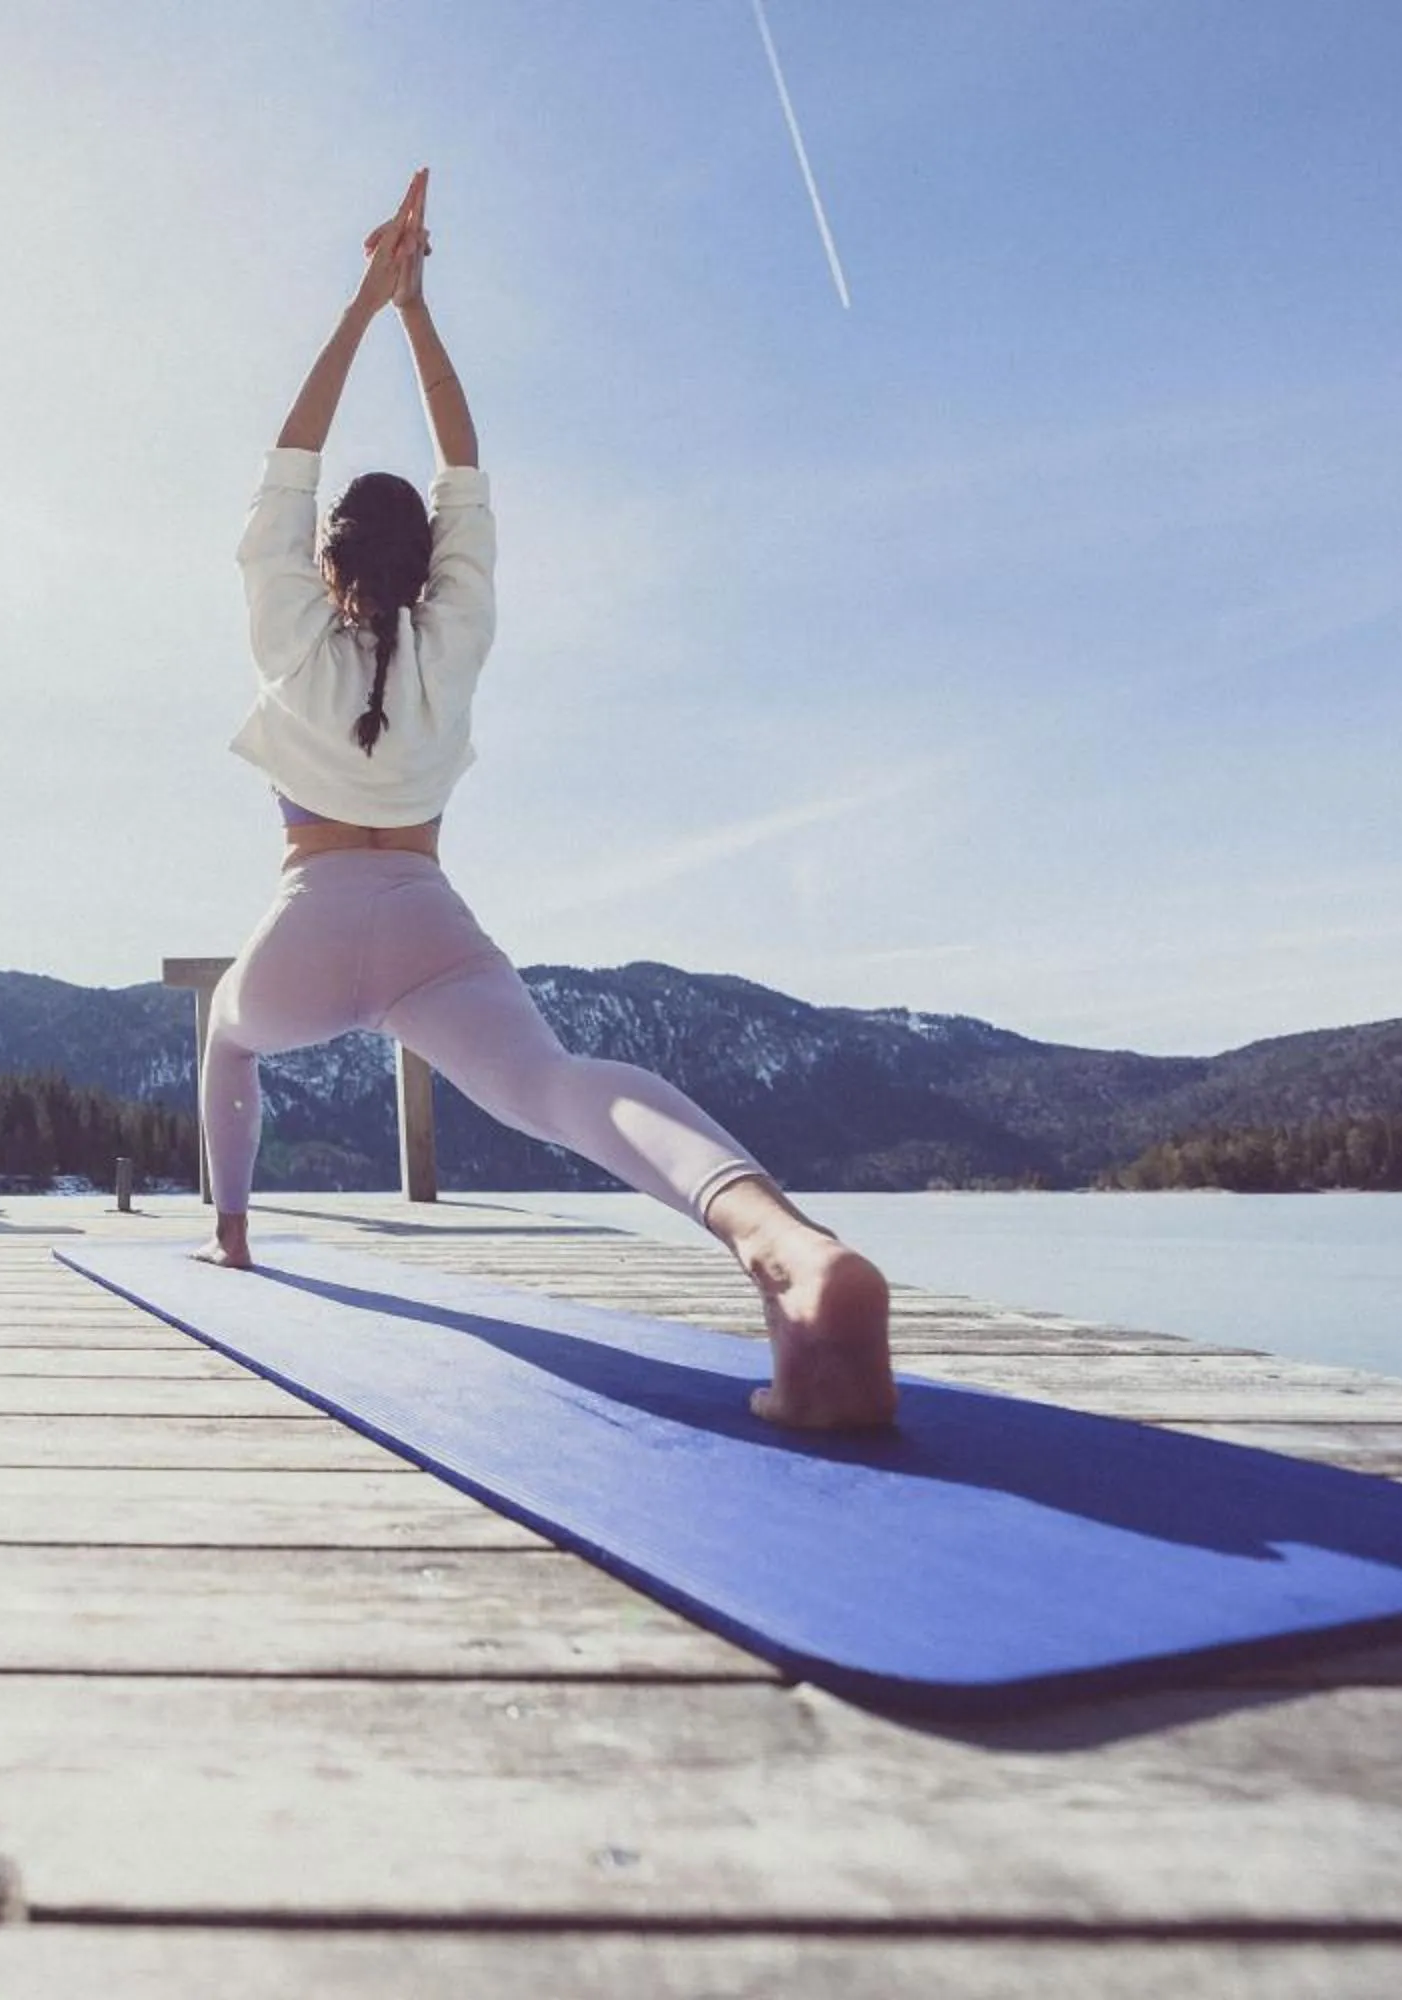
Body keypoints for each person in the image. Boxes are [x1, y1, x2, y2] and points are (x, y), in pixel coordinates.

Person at [198, 171, 898, 1430]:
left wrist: (365, 299)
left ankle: (234, 1238)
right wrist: (420, 310)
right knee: (561, 1085)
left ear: (325, 561)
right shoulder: (457, 628)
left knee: (229, 1033)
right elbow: (463, 454)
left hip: (308, 917)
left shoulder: (283, 617)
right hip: (429, 929)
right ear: (429, 565)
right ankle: (779, 1240)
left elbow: (290, 452)